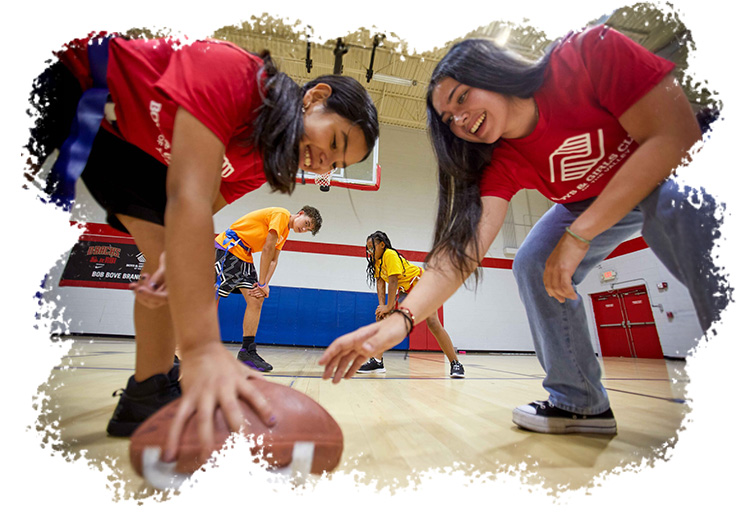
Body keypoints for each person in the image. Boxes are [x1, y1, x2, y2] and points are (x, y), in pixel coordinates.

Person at [319, 24, 728, 435]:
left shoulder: (586, 53)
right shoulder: (498, 159)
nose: (460, 118)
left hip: (688, 158)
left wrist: (579, 234)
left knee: (671, 202)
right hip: (592, 198)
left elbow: (676, 136)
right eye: (449, 118)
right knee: (533, 262)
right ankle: (580, 402)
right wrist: (401, 320)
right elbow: (463, 250)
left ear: (493, 72)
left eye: (462, 97)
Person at [26, 32, 379, 464]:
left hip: (118, 141)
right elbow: (188, 198)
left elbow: (203, 209)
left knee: (172, 265)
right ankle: (177, 366)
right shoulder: (238, 76)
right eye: (335, 143)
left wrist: (172, 259)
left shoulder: (260, 162)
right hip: (68, 76)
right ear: (314, 98)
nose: (324, 162)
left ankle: (146, 393)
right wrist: (201, 348)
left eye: (336, 164)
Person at [214, 206, 322, 372]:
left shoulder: (285, 233)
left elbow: (273, 260)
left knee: (256, 299)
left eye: (308, 229)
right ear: (300, 213)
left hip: (244, 255)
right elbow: (267, 248)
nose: (305, 228)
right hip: (228, 248)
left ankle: (247, 351)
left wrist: (265, 285)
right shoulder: (282, 215)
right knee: (209, 298)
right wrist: (262, 283)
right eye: (306, 223)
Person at [359, 231, 465, 378]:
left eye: (372, 247)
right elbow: (380, 283)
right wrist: (382, 307)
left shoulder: (389, 254)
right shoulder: (377, 262)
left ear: (382, 245)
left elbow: (393, 281)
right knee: (383, 319)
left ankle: (456, 363)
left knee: (433, 323)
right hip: (406, 291)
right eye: (367, 249)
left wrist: (389, 307)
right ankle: (377, 361)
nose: (369, 251)